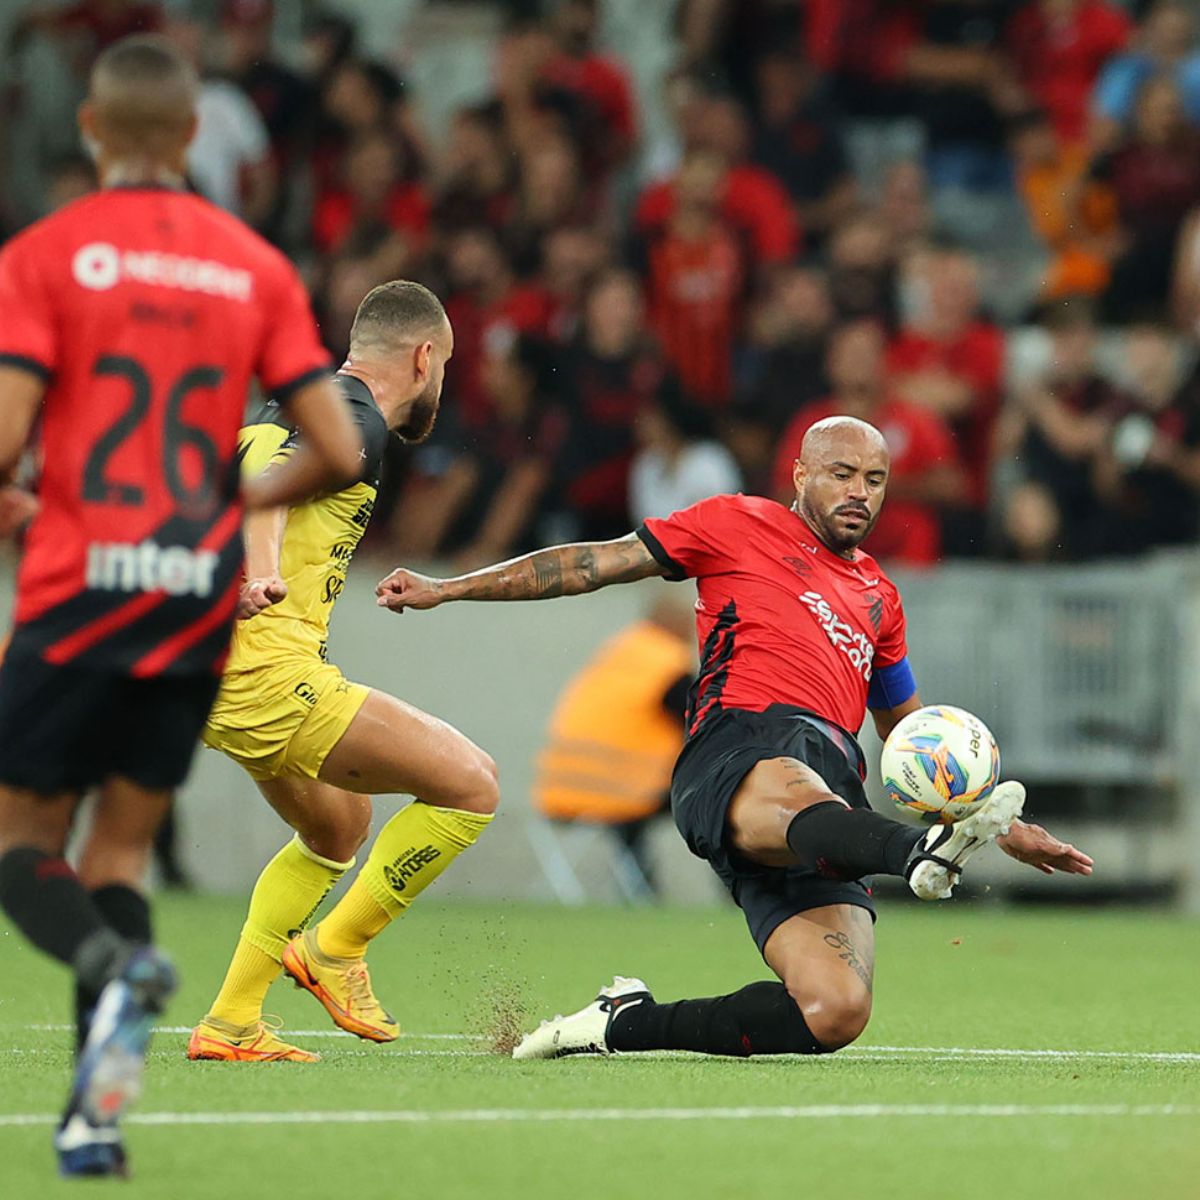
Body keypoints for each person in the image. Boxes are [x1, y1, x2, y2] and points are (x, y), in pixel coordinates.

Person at [376, 415, 1093, 1061]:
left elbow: (910, 738)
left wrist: (999, 826)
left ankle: (621, 1023)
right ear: (802, 475)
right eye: (842, 474)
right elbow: (589, 564)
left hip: (833, 792)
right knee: (795, 782)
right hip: (738, 745)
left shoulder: (880, 596)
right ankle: (919, 856)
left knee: (834, 1011)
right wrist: (453, 587)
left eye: (875, 480)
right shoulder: (734, 523)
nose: (860, 493)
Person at [0, 34, 363, 1177]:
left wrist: (29, 513)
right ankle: (94, 1118)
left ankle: (108, 969)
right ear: (196, 136)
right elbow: (341, 444)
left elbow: (5, 440)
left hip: (76, 590)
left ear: (94, 131)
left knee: (21, 846)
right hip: (192, 604)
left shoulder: (46, 255)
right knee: (120, 851)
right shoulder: (253, 265)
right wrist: (229, 508)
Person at [188, 281, 499, 1064]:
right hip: (264, 668)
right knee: (472, 784)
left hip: (207, 668)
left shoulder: (282, 407)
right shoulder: (353, 420)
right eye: (447, 366)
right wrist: (256, 575)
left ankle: (230, 1024)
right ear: (425, 357)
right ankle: (333, 950)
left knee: (337, 825)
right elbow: (264, 499)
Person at [534, 594, 695, 897]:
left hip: (560, 788)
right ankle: (737, 895)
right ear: (679, 625)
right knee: (719, 806)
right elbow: (701, 726)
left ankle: (640, 892)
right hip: (624, 790)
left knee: (637, 824)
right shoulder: (668, 664)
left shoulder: (619, 651)